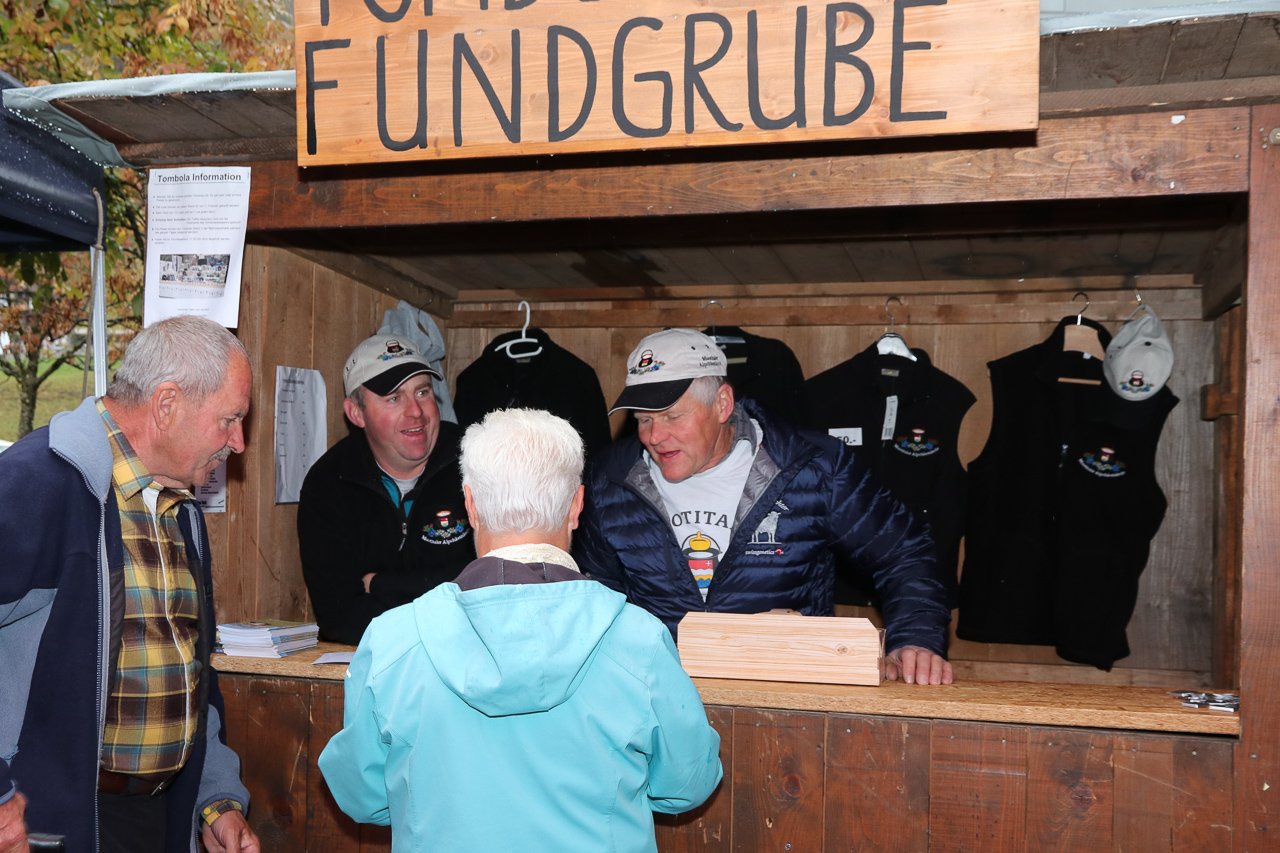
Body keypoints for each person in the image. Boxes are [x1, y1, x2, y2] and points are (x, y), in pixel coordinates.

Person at [319, 408, 723, 851]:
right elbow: (686, 785)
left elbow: (364, 796)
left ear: (470, 505)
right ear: (577, 506)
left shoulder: (394, 640)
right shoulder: (638, 640)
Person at [0, 316, 259, 853]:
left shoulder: (181, 511)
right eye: (230, 419)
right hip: (51, 825)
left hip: (159, 818)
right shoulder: (36, 484)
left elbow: (194, 674)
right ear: (166, 405)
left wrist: (215, 798)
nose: (237, 442)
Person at [574, 328, 955, 686]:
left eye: (672, 416)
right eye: (643, 419)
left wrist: (916, 637)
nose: (655, 436)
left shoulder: (811, 466)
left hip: (788, 689)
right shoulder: (612, 478)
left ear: (722, 404)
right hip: (659, 692)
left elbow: (902, 552)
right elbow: (596, 588)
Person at [298, 335, 472, 645]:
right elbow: (339, 618)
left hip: (465, 658)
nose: (416, 411)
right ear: (356, 413)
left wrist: (380, 584)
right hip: (374, 662)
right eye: (394, 398)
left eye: (422, 392)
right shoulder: (329, 483)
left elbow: (490, 588)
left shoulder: (477, 461)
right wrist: (439, 601)